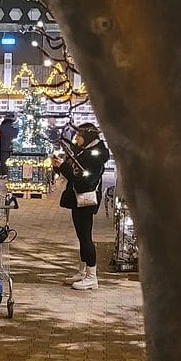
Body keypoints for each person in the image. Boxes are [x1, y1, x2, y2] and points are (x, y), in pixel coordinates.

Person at [53, 122, 109, 290]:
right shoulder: (86, 152)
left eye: (79, 136)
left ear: (87, 137)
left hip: (85, 200)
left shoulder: (94, 155)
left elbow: (84, 180)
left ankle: (92, 276)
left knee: (85, 237)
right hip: (78, 199)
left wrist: (62, 166)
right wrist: (61, 165)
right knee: (81, 236)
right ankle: (83, 271)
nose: (76, 138)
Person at [0, 112, 18, 177]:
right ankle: (13, 174)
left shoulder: (1, 127)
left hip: (4, 146)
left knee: (4, 160)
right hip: (13, 146)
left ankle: (4, 174)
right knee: (13, 161)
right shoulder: (15, 128)